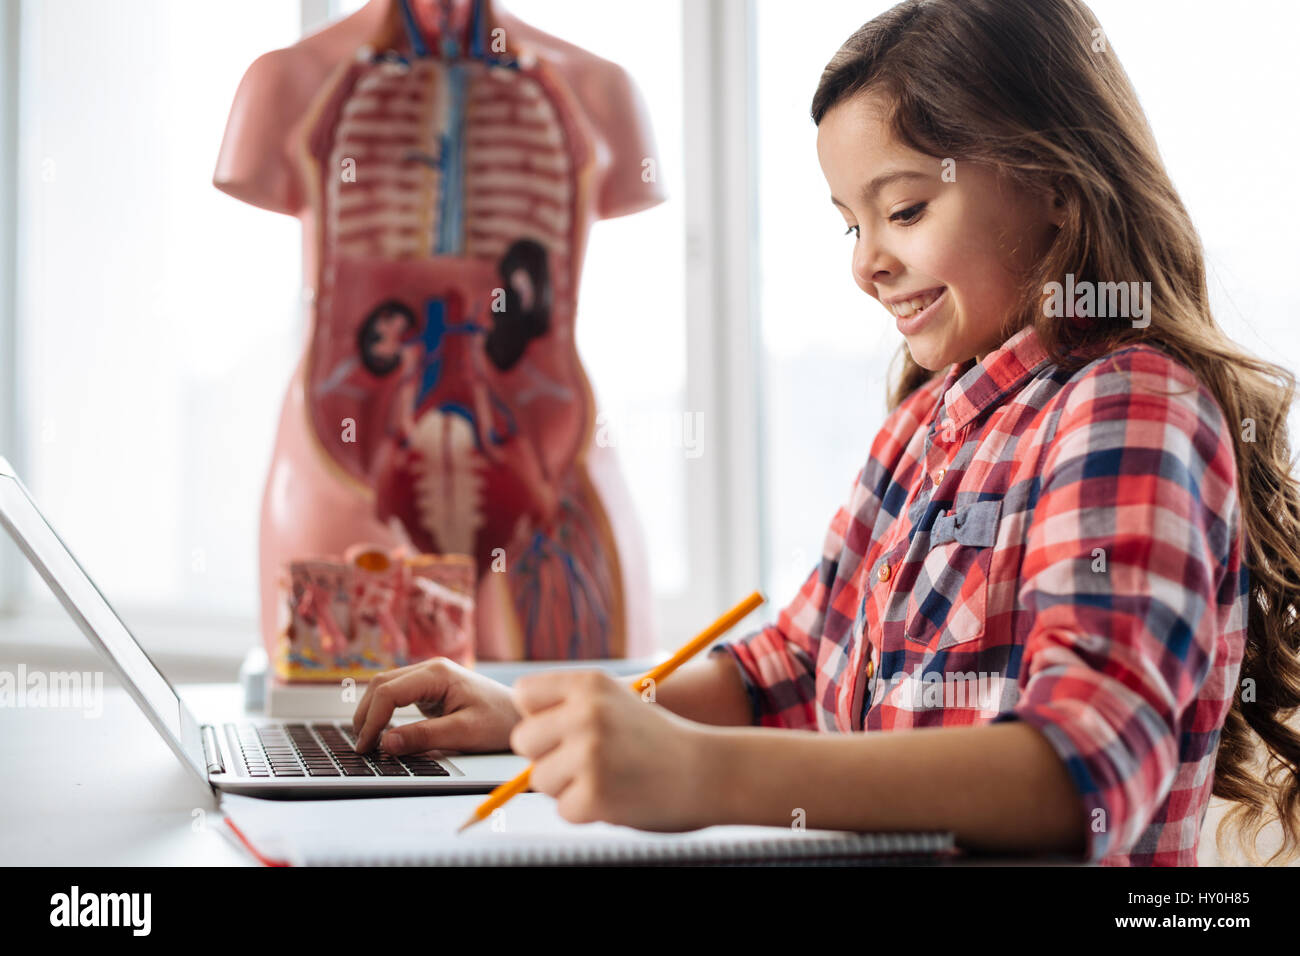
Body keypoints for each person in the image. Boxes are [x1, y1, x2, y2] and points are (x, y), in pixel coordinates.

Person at [350, 0, 1300, 865]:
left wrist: (696, 774)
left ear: (1056, 184)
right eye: (850, 225)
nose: (868, 263)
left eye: (905, 210)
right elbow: (786, 671)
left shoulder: (1130, 408)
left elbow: (1077, 780)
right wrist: (528, 718)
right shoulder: (920, 429)